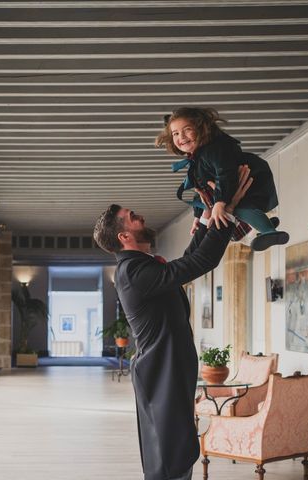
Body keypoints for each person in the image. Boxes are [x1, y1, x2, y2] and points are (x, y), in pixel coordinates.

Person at [92, 167, 251, 480]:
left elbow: (186, 262)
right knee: (170, 455)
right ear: (124, 236)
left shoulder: (139, 266)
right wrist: (226, 212)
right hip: (160, 370)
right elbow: (199, 263)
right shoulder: (134, 273)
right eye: (132, 216)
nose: (141, 217)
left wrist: (208, 217)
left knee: (175, 450)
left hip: (164, 367)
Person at [156, 106, 289, 252]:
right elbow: (201, 190)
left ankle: (269, 232)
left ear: (202, 128)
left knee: (241, 208)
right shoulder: (199, 158)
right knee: (238, 209)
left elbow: (225, 174)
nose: (181, 137)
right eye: (175, 133)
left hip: (250, 177)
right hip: (231, 185)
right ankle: (265, 225)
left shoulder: (214, 150)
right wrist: (198, 216)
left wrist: (220, 202)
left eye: (187, 129)